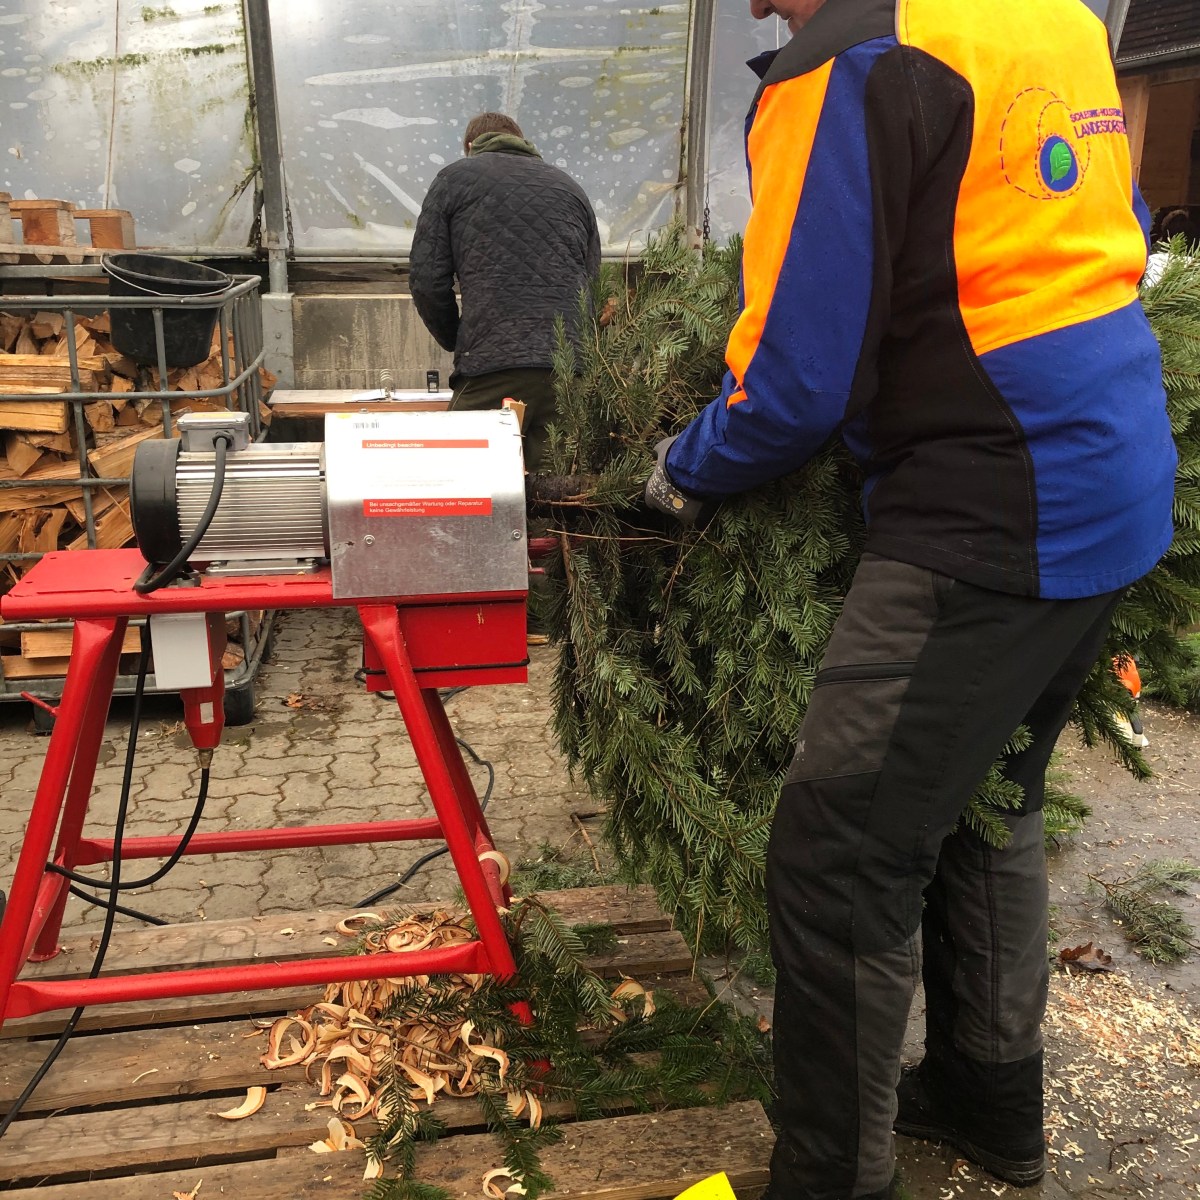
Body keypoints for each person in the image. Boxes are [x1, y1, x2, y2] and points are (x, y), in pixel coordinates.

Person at [644, 2, 1177, 1198]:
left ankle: (831, 1179)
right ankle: (990, 1102)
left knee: (841, 851)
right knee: (990, 801)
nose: (757, 8)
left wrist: (684, 466)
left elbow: (796, 380)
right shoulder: (1046, 16)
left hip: (990, 509)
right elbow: (1121, 230)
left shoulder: (845, 65)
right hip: (1117, 473)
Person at [410, 112, 600, 473]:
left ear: (470, 146)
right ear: (522, 141)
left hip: (491, 369)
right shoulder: (571, 188)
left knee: (464, 488)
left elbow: (426, 279)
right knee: (560, 495)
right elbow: (591, 283)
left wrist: (457, 338)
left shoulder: (454, 179)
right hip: (568, 373)